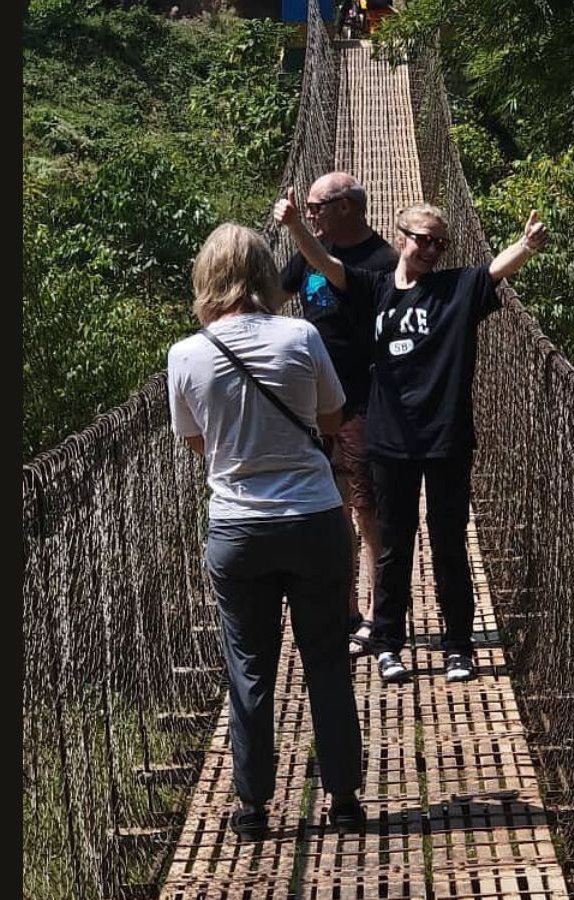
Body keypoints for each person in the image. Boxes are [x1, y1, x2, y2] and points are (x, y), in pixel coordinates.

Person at [273, 197, 547, 685]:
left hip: (445, 438)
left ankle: (458, 646)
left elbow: (492, 272)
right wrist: (296, 226)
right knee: (395, 546)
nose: (430, 249)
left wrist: (525, 247)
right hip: (390, 439)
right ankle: (388, 644)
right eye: (422, 239)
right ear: (401, 236)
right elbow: (326, 264)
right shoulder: (375, 288)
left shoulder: (455, 288)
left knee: (448, 545)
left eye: (439, 242)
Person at [167, 223, 365, 839]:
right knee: (326, 660)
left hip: (238, 528)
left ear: (206, 278)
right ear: (264, 275)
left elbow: (197, 443)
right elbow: (332, 417)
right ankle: (345, 801)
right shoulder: (301, 334)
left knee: (248, 668)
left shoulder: (186, 353)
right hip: (312, 518)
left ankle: (252, 808)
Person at [279, 174, 399, 657]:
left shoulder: (382, 262)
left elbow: (333, 273)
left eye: (315, 207)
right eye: (305, 209)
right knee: (332, 507)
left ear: (346, 207)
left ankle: (379, 615)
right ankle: (345, 611)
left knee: (369, 510)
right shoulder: (315, 246)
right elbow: (271, 296)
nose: (310, 214)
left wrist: (295, 230)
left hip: (365, 400)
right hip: (310, 404)